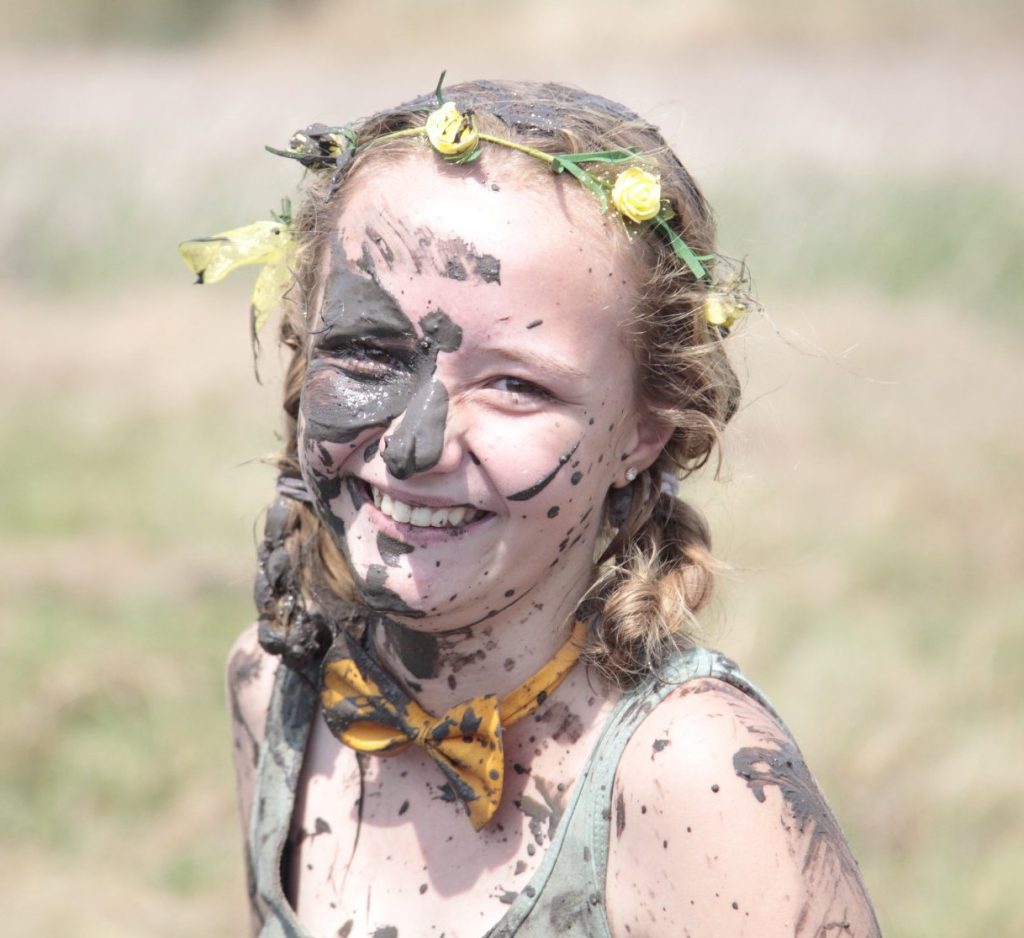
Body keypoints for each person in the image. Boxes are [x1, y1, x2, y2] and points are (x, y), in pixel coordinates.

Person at [186, 78, 881, 937]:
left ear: (645, 430)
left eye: (516, 386)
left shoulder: (696, 781)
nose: (412, 446)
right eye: (367, 354)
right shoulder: (279, 691)